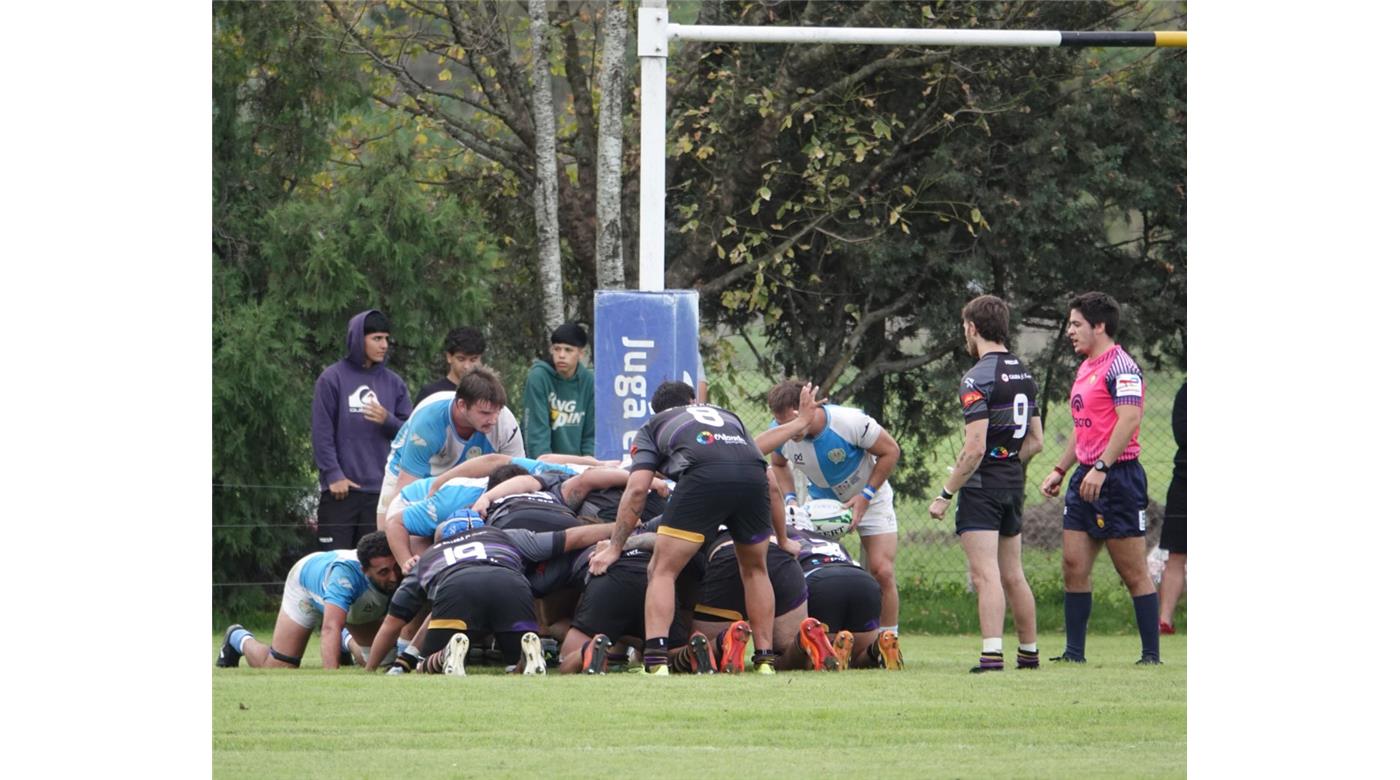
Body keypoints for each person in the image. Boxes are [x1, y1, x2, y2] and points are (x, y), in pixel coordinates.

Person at [588, 381, 797, 675]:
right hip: (753, 477)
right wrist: (784, 539)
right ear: (693, 401)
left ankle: (657, 661)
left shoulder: (653, 426)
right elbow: (770, 481)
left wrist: (615, 547)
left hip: (703, 479)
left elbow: (636, 490)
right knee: (755, 570)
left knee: (662, 569)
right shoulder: (728, 417)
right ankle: (765, 660)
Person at [1038, 291, 1160, 665]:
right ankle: (1074, 654)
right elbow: (1083, 427)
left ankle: (1151, 655)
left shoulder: (1121, 367)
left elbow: (1129, 420)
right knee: (1073, 565)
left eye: (1076, 324)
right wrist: (1061, 468)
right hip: (1085, 479)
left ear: (1100, 326)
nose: (1070, 332)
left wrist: (1102, 468)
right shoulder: (1086, 367)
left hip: (1117, 476)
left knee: (1132, 571)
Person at [927, 294, 1043, 673]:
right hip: (1012, 482)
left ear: (972, 328)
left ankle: (992, 655)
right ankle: (1029, 652)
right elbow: (1036, 441)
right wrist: (1007, 460)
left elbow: (974, 447)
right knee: (1014, 572)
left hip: (983, 487)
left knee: (985, 573)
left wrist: (946, 493)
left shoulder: (977, 377)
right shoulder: (1023, 373)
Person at [757, 380, 904, 643]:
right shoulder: (781, 432)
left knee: (882, 570)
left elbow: (891, 451)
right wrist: (790, 498)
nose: (788, 430)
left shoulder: (850, 422)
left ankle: (888, 642)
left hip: (871, 497)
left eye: (792, 421)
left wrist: (866, 496)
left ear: (809, 407)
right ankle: (822, 639)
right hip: (822, 509)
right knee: (814, 570)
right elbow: (778, 464)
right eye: (780, 424)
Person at [363, 522, 617, 674]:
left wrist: (370, 668)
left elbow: (393, 622)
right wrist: (623, 527)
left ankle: (444, 656)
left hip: (456, 588)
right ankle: (541, 655)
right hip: (511, 584)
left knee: (424, 666)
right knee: (516, 664)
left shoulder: (429, 556)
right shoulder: (505, 535)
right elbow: (572, 536)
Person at [217, 531, 402, 670]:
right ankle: (237, 637)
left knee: (380, 663)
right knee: (281, 665)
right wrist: (333, 680)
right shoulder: (344, 575)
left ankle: (344, 641)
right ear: (364, 570)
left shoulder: (402, 562)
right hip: (304, 585)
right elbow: (330, 628)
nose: (394, 577)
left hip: (353, 602)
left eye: (395, 568)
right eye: (384, 572)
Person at [311, 309, 411, 551]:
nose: (384, 345)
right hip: (341, 492)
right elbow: (321, 431)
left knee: (374, 569)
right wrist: (333, 474)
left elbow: (411, 435)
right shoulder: (332, 378)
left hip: (381, 494)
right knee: (334, 565)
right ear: (358, 339)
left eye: (386, 338)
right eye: (376, 338)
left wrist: (388, 420)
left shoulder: (394, 383)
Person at [377, 364, 524, 528]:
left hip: (467, 473)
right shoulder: (428, 422)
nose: (494, 420)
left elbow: (519, 475)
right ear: (462, 405)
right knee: (389, 528)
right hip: (415, 470)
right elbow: (404, 493)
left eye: (498, 411)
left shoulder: (505, 424)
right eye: (485, 413)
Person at [523, 322, 595, 457]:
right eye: (557, 349)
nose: (561, 355)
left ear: (581, 353)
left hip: (580, 466)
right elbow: (536, 432)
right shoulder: (539, 377)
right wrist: (544, 467)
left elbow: (591, 434)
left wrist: (588, 465)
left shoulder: (589, 381)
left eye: (568, 350)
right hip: (546, 464)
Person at [1159, 381, 1186, 634]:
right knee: (1176, 555)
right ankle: (1164, 620)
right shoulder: (1186, 392)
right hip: (1185, 483)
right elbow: (1183, 435)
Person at [414, 326, 486, 405]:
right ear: (449, 357)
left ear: (480, 358)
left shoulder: (488, 394)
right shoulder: (431, 394)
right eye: (461, 359)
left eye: (473, 360)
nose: (467, 366)